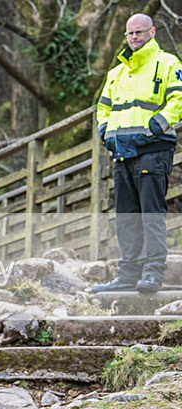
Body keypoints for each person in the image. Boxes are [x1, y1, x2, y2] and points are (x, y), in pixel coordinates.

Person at [93, 13, 182, 294]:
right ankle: (128, 273)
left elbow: (179, 98)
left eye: (140, 32)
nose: (134, 37)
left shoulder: (167, 63)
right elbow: (103, 108)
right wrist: (105, 131)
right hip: (122, 153)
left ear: (152, 32)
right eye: (130, 33)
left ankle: (153, 272)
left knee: (151, 214)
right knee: (127, 216)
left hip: (152, 152)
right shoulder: (116, 72)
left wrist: (157, 126)